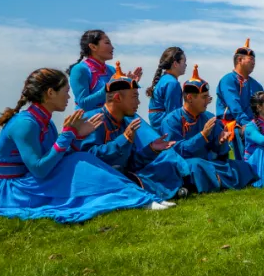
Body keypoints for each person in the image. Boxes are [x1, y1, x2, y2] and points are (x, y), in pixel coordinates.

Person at [0, 68, 172, 223]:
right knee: (79, 162)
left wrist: (75, 137)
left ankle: (138, 197)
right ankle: (136, 199)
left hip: (27, 182)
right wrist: (69, 135)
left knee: (80, 158)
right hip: (8, 191)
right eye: (65, 92)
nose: (69, 98)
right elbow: (39, 169)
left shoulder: (45, 122)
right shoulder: (25, 123)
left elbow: (59, 158)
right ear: (50, 93)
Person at [79, 62, 189, 202]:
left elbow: (131, 162)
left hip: (122, 171)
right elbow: (89, 158)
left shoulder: (125, 123)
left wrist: (151, 150)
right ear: (118, 98)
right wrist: (124, 139)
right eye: (134, 97)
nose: (138, 102)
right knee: (120, 174)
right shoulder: (92, 119)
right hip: (99, 178)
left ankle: (164, 192)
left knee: (163, 167)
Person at [161, 66, 257, 192]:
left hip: (210, 163)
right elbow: (177, 152)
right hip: (186, 163)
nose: (208, 101)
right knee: (196, 166)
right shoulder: (170, 121)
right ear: (190, 98)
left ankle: (215, 181)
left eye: (208, 97)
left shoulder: (209, 117)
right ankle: (215, 182)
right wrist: (203, 135)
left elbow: (221, 153)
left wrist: (220, 142)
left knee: (242, 166)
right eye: (204, 97)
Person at [68, 29, 142, 113]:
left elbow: (118, 100)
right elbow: (83, 104)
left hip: (111, 119)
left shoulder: (111, 70)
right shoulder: (80, 69)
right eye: (107, 43)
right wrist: (109, 88)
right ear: (93, 47)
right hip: (90, 121)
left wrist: (129, 85)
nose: (112, 47)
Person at [146, 46, 186, 132]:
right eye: (184, 61)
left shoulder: (164, 79)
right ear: (175, 64)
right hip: (165, 131)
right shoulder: (172, 83)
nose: (186, 65)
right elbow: (173, 114)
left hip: (157, 128)